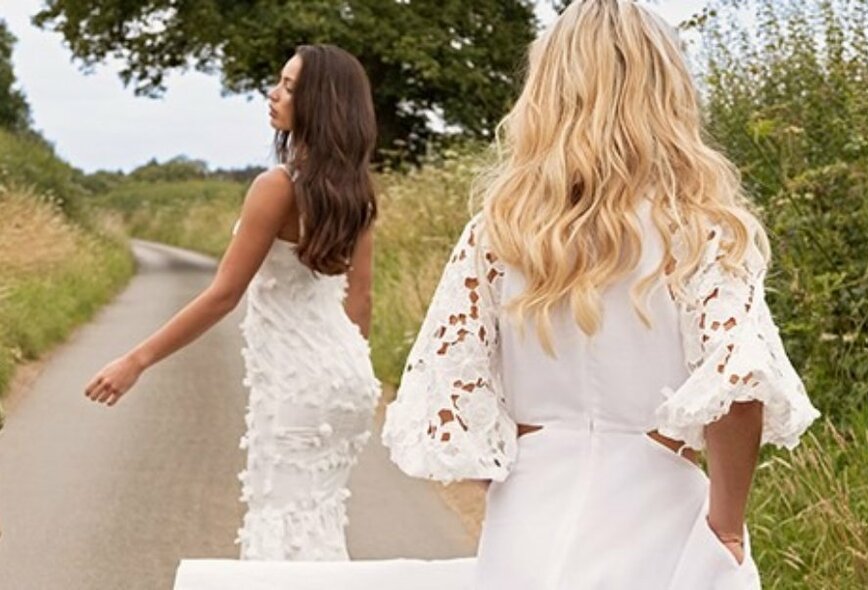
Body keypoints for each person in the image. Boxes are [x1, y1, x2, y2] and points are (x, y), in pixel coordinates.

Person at [381, 0, 821, 588]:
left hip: (528, 515)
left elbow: (453, 383)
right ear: (666, 92)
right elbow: (740, 386)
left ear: (547, 92)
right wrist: (726, 528)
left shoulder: (500, 233)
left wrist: (524, 476)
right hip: (659, 513)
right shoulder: (702, 232)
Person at [85, 44, 382, 561]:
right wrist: (350, 374)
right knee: (317, 526)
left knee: (280, 529)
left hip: (297, 383)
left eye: (290, 87)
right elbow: (361, 299)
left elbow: (224, 294)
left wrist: (136, 359)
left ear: (319, 102)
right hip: (348, 381)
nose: (274, 93)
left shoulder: (277, 186)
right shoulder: (356, 191)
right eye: (280, 82)